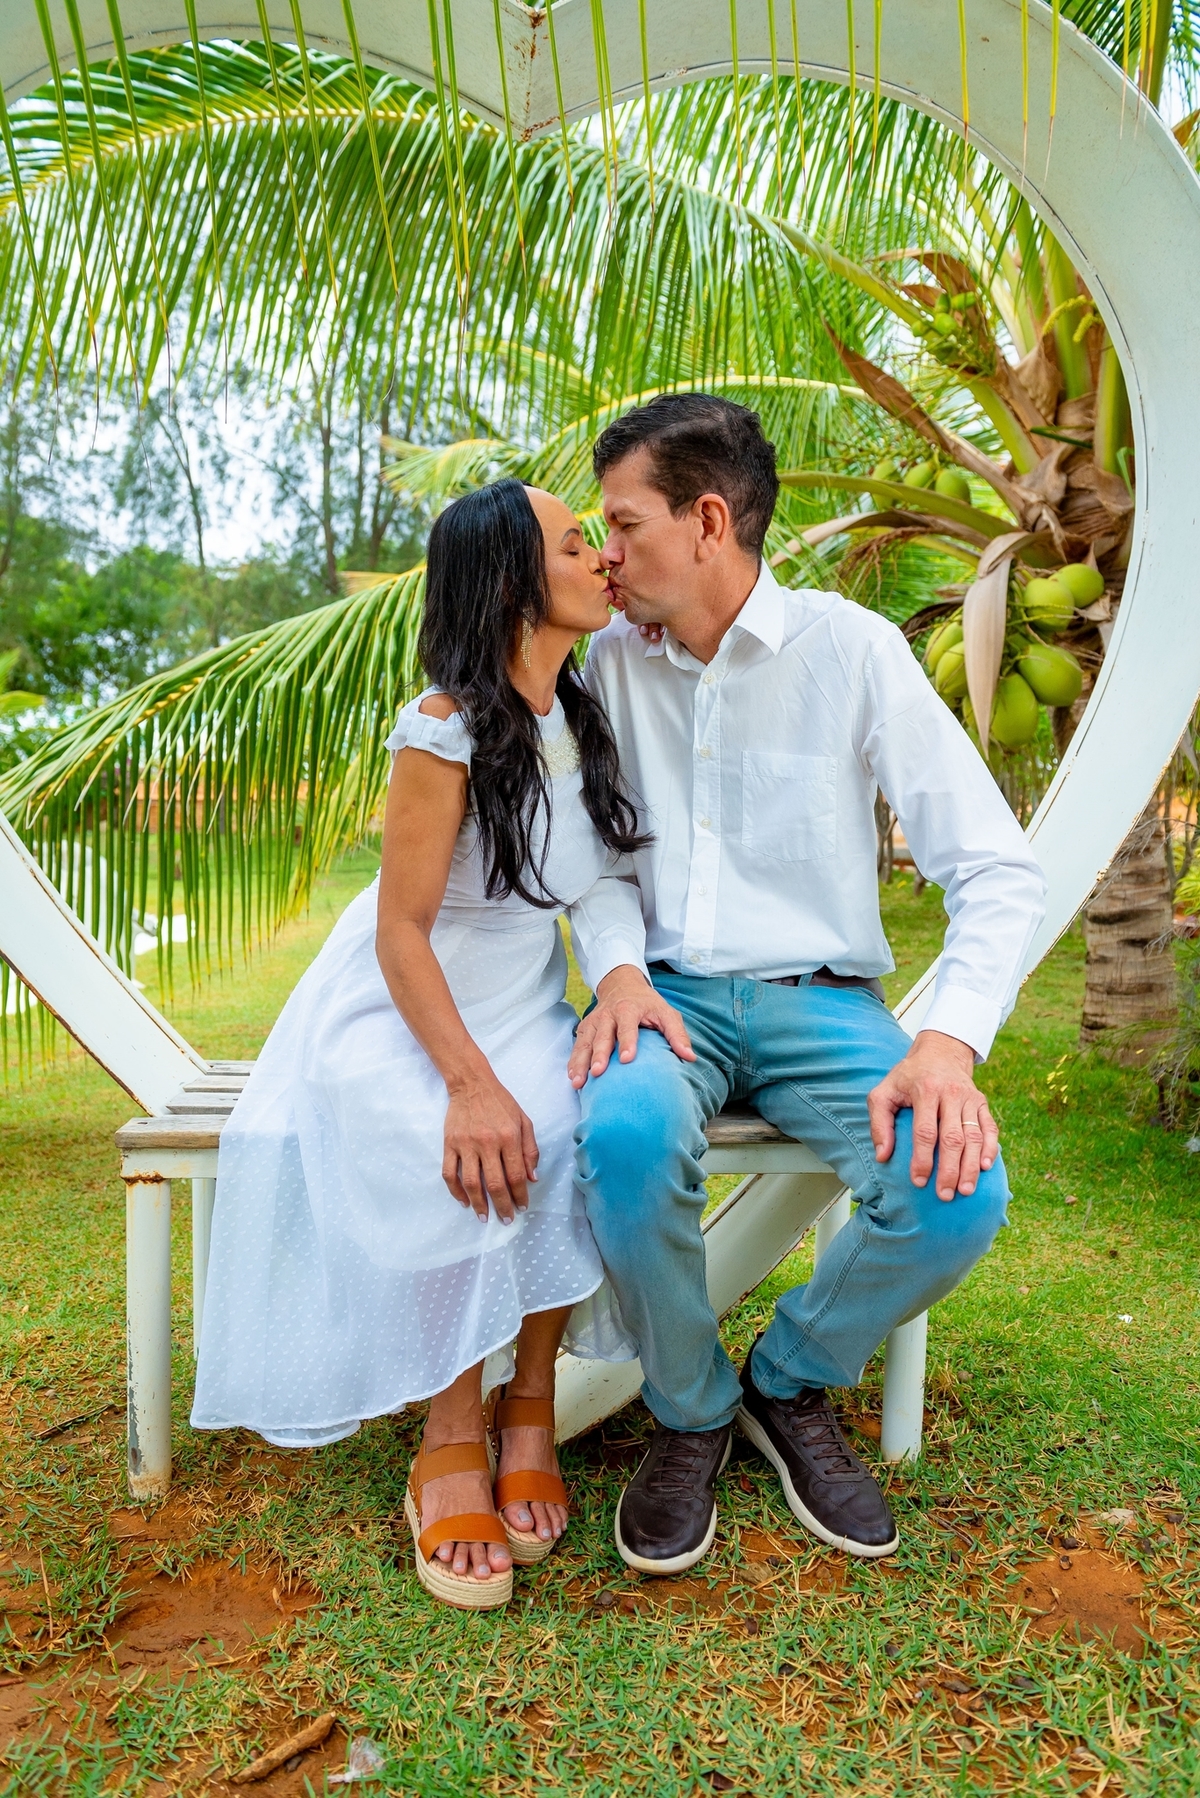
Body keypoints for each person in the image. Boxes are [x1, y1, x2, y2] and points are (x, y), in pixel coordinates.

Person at [564, 394, 1047, 1575]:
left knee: (956, 1192)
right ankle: (687, 1407)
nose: (606, 552)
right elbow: (594, 859)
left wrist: (947, 1044)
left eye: (622, 525)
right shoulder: (605, 666)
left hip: (824, 1001)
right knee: (623, 1137)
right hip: (663, 994)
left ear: (709, 520)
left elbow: (994, 866)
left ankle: (785, 1382)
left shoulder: (853, 650)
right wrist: (620, 968)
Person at [191, 479, 680, 1611]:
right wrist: (464, 1084)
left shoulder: (580, 711)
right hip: (403, 1010)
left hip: (520, 1006)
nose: (605, 558)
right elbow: (398, 931)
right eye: (576, 544)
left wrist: (614, 977)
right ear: (514, 582)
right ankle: (449, 1429)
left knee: (570, 1126)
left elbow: (599, 879)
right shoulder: (446, 726)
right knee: (449, 1147)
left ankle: (530, 1401)